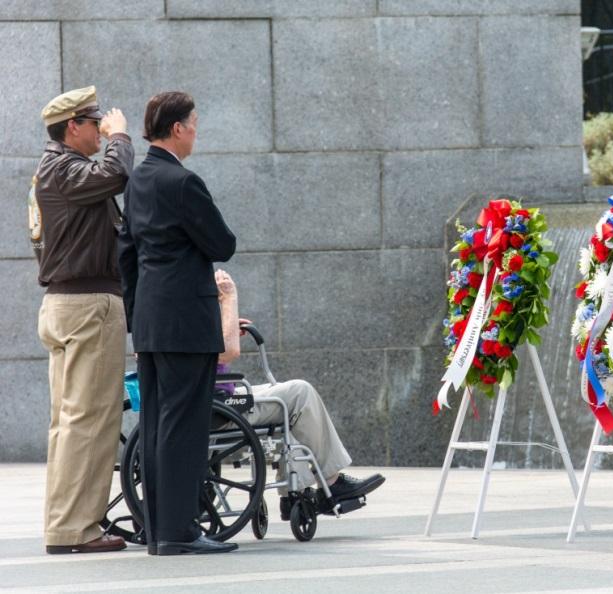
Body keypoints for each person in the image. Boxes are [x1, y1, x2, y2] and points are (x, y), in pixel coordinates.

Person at [117, 91, 237, 555]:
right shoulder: (183, 183)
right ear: (178, 128)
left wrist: (137, 315)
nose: (197, 130)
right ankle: (177, 531)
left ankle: (157, 526)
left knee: (155, 423)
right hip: (186, 319)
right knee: (184, 426)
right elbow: (222, 243)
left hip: (150, 318)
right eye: (194, 122)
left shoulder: (139, 180)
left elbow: (126, 253)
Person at [34, 86, 133, 554]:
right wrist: (122, 138)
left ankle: (68, 524)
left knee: (71, 422)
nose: (101, 130)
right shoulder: (63, 168)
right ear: (73, 126)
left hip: (69, 305)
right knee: (88, 421)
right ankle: (76, 529)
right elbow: (116, 174)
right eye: (95, 124)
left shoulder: (55, 169)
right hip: (86, 304)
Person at [213, 269, 385, 519]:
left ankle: (301, 489)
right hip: (221, 404)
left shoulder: (164, 303)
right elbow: (226, 351)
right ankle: (328, 484)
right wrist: (229, 298)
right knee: (300, 395)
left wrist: (225, 326)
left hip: (213, 396)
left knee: (288, 400)